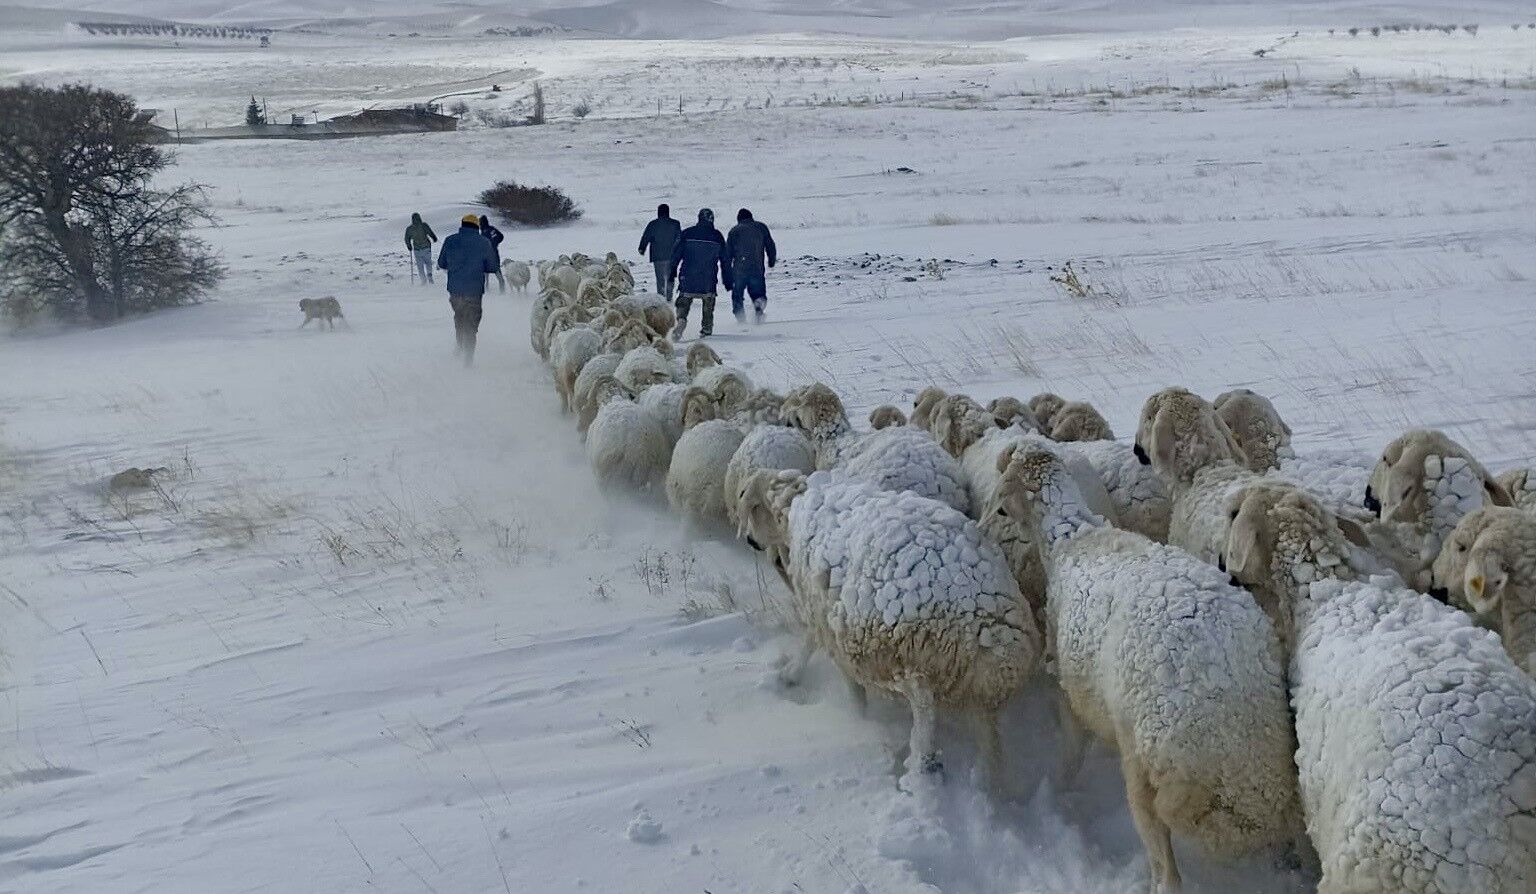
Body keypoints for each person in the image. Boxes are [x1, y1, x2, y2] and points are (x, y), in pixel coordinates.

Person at [437, 214, 498, 365]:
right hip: (474, 290)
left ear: (462, 224)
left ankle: (459, 345)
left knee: (459, 316)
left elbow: (442, 263)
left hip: (455, 289)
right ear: (476, 226)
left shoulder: (450, 240)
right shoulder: (484, 242)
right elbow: (492, 266)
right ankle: (468, 358)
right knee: (471, 323)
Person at [669, 208, 730, 341]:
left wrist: (672, 271)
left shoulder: (687, 233)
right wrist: (728, 278)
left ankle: (681, 320)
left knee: (683, 302)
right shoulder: (717, 236)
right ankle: (706, 328)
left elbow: (676, 254)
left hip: (688, 277)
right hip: (708, 278)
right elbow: (725, 259)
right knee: (708, 302)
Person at [725, 208, 777, 324]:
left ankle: (741, 319)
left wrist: (727, 270)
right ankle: (758, 304)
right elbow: (770, 245)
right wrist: (771, 260)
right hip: (757, 268)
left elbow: (728, 254)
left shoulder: (734, 231)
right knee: (758, 292)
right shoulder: (761, 227)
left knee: (737, 295)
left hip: (739, 269)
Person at [638, 203, 682, 298]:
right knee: (670, 277)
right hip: (672, 256)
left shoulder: (653, 224)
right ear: (668, 212)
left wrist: (642, 248)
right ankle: (669, 296)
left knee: (660, 279)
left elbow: (646, 237)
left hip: (658, 256)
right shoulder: (675, 224)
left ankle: (661, 297)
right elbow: (679, 239)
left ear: (658, 212)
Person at [404, 212, 437, 284]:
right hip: (426, 247)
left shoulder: (410, 229)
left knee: (420, 265)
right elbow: (430, 232)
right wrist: (434, 238)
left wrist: (409, 246)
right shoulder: (424, 225)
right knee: (428, 262)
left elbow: (407, 238)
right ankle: (429, 275)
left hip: (417, 249)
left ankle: (423, 280)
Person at [479, 215, 506, 293]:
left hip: (486, 255)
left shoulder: (483, 233)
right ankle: (502, 291)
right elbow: (501, 236)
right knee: (498, 272)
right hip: (494, 253)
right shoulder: (492, 229)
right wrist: (496, 243)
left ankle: (486, 290)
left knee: (485, 274)